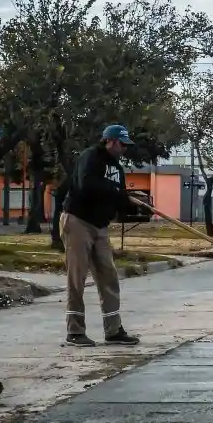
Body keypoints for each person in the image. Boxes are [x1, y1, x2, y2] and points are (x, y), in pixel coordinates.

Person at [60, 123, 140, 348]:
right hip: (78, 221)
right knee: (77, 277)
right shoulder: (91, 157)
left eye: (126, 145)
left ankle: (113, 331)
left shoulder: (117, 169)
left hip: (100, 226)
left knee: (109, 276)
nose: (124, 149)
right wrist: (116, 193)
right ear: (111, 141)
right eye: (122, 144)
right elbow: (87, 185)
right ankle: (75, 331)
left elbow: (118, 198)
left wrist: (132, 206)